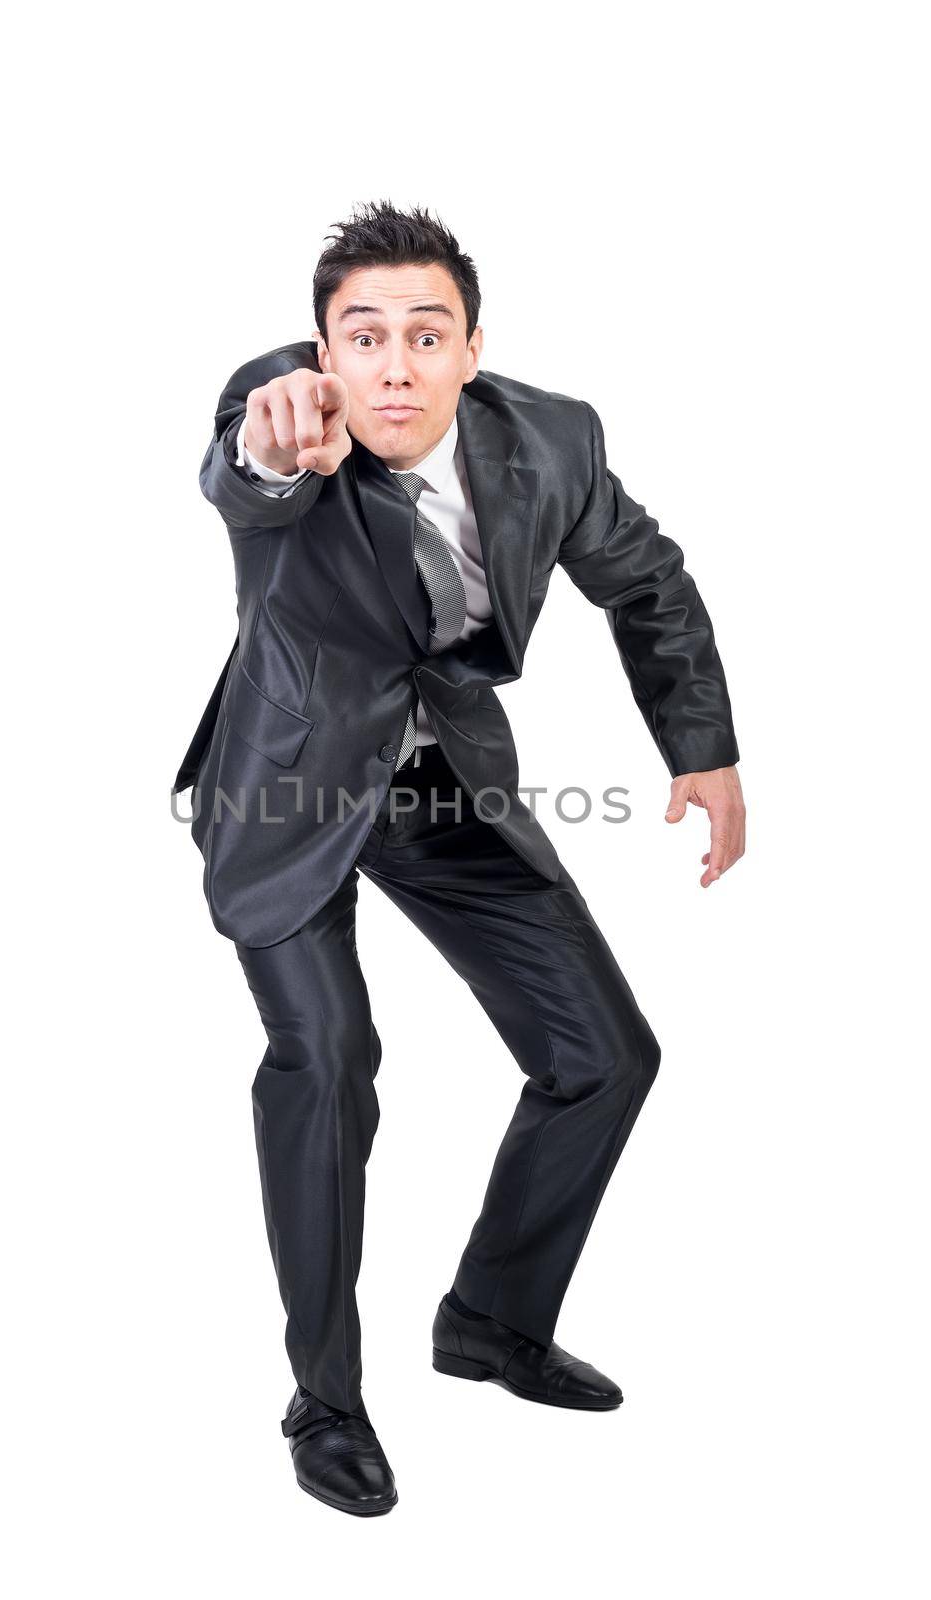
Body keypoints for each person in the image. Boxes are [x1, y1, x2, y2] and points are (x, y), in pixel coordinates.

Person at [172, 201, 745, 1517]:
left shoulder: (550, 440)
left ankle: (490, 1317)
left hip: (444, 781)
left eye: (425, 335)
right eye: (359, 337)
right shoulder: (283, 423)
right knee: (326, 1065)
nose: (392, 365)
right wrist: (269, 448)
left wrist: (702, 751)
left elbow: (645, 578)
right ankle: (321, 1400)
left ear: (473, 349)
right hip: (292, 786)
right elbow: (242, 468)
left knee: (606, 1056)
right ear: (320, 350)